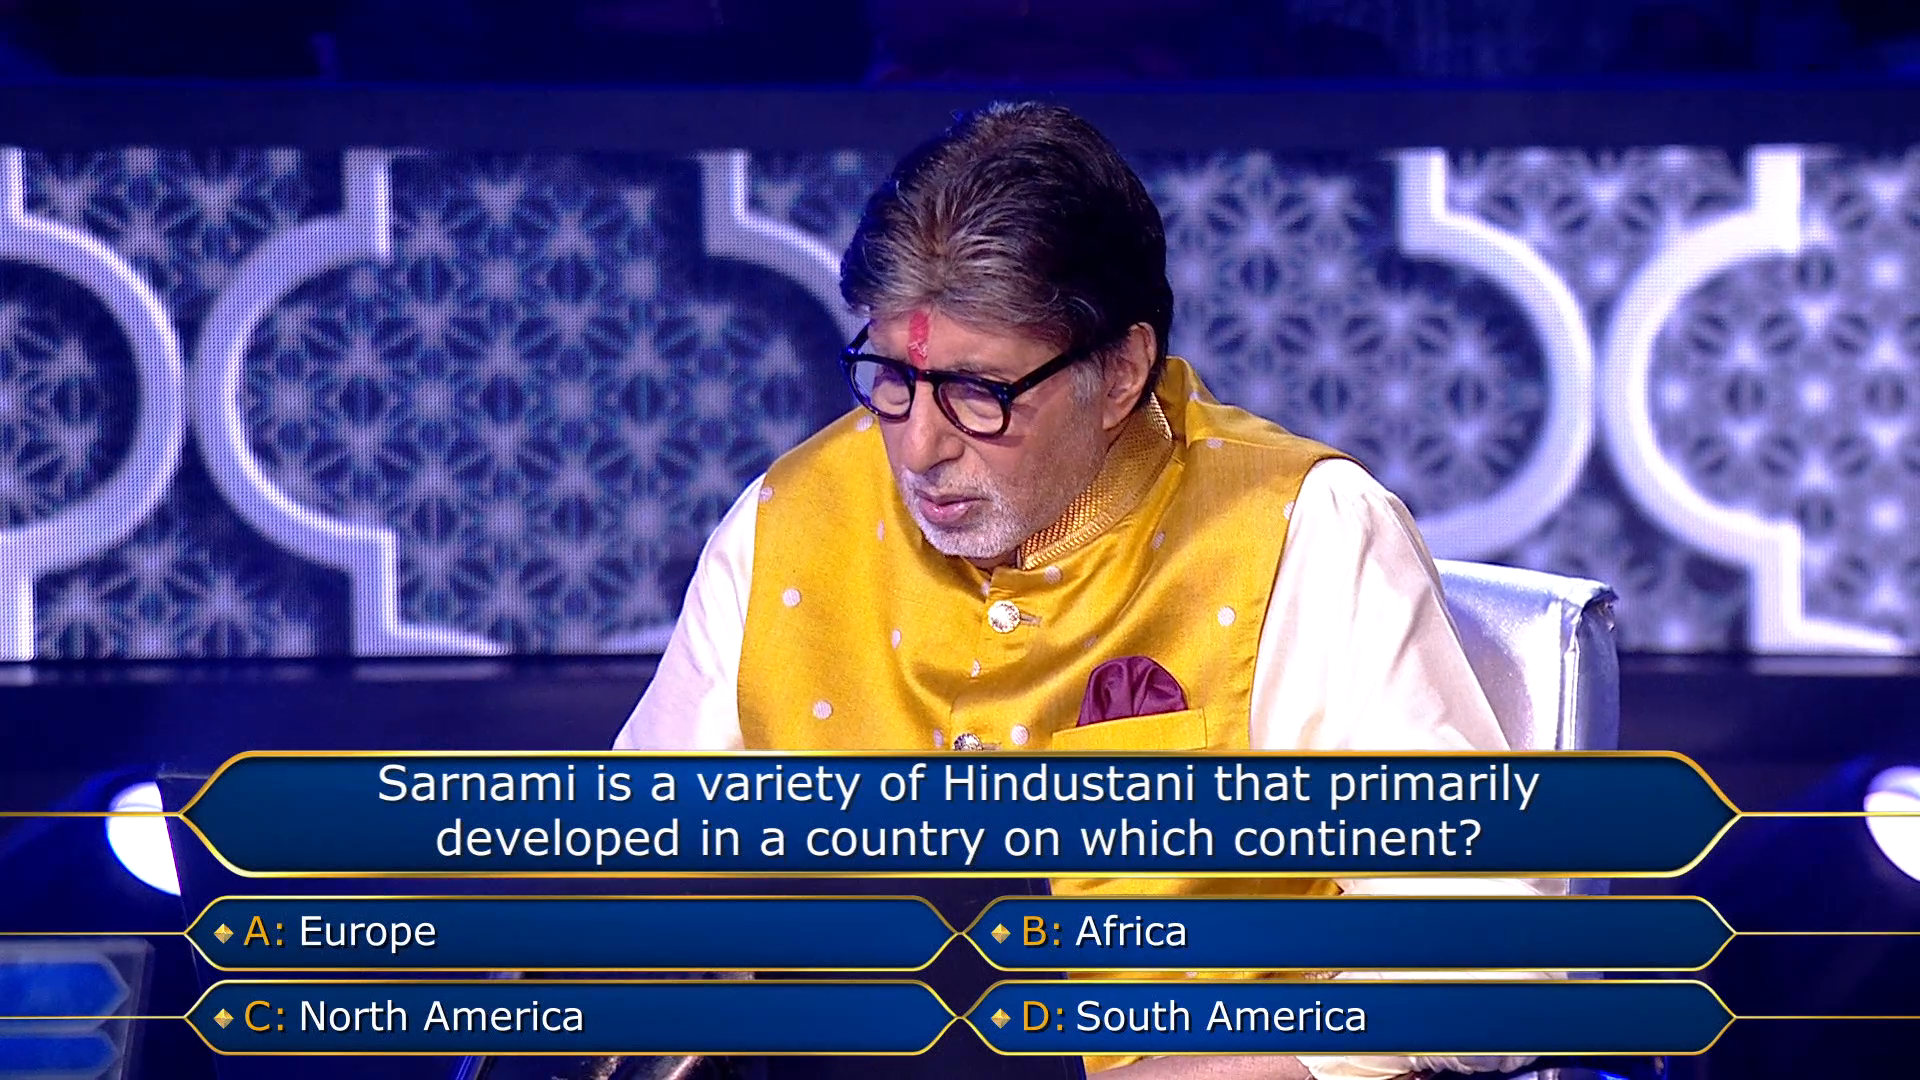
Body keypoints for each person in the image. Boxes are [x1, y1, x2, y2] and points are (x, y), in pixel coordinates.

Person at [616, 101, 1562, 1080]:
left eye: (979, 392)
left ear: (1119, 373)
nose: (920, 447)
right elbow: (637, 893)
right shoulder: (786, 521)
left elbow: (1490, 966)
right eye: (892, 377)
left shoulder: (1301, 533)